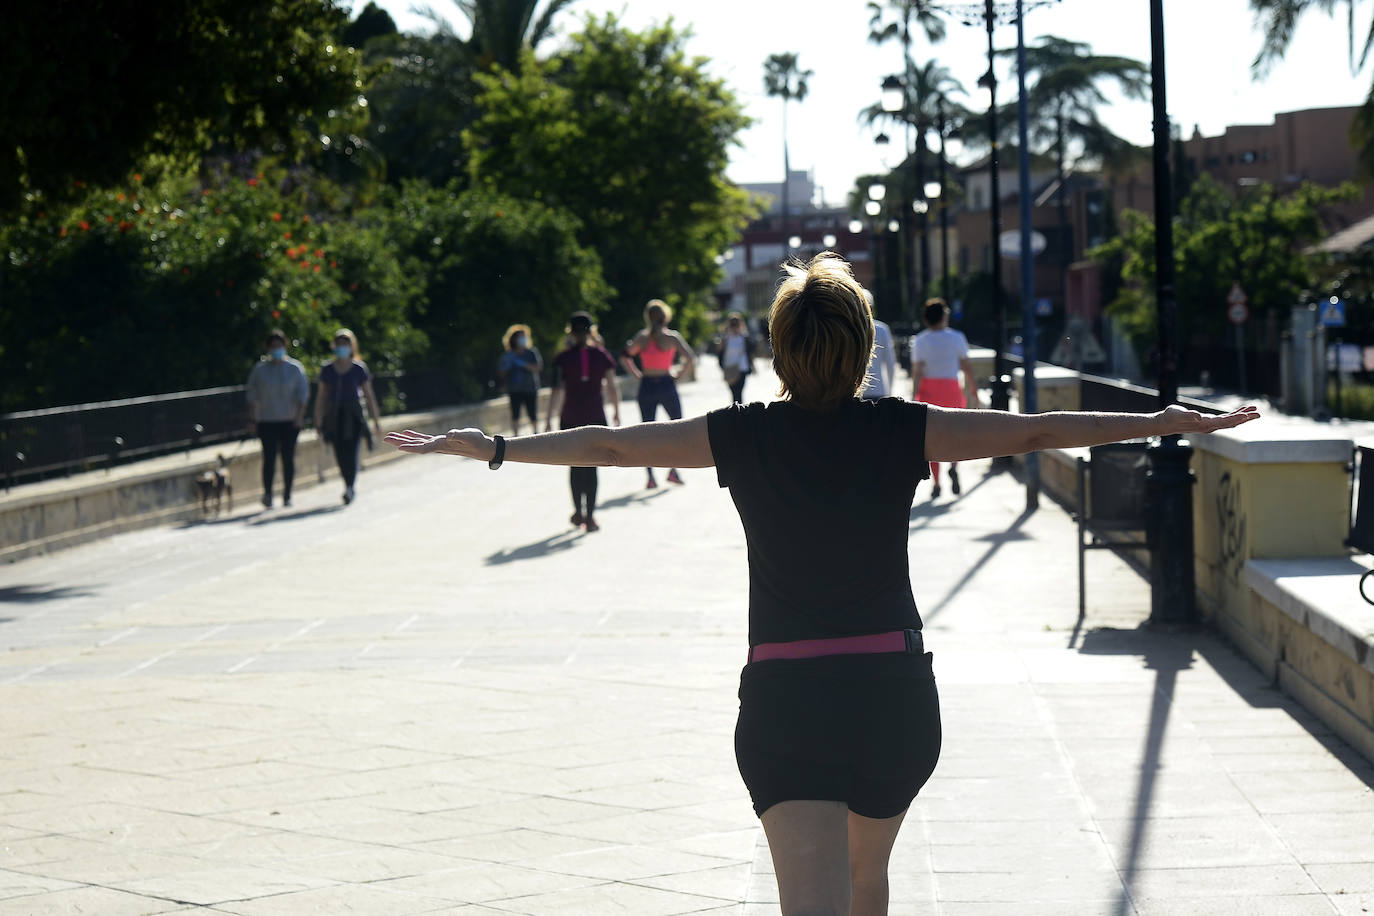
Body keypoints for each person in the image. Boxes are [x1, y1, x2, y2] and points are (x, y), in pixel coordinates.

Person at [385, 252, 1258, 916]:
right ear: (865, 346)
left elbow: (609, 445)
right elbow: (1033, 432)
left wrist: (495, 447)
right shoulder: (901, 430)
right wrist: (1160, 419)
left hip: (788, 697)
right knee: (866, 880)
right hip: (892, 695)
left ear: (777, 349)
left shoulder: (743, 436)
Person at [546, 311, 620, 532]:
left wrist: (549, 418)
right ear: (591, 331)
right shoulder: (602, 355)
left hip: (570, 417)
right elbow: (611, 385)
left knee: (575, 466)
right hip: (596, 417)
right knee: (593, 467)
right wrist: (616, 411)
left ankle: (578, 512)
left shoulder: (563, 358)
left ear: (570, 331)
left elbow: (556, 389)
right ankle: (591, 516)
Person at [621, 299, 695, 488]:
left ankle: (651, 477)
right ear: (666, 317)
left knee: (646, 432)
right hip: (666, 383)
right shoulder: (672, 337)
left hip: (647, 384)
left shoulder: (642, 338)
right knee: (677, 427)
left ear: (648, 317)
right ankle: (673, 470)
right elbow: (690, 358)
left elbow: (624, 355)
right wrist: (679, 376)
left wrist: (637, 374)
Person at [911, 299, 978, 499]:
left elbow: (917, 371)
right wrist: (973, 390)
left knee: (932, 438)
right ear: (943, 316)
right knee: (956, 432)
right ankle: (954, 467)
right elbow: (966, 366)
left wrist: (914, 395)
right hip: (951, 388)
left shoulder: (920, 340)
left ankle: (937, 483)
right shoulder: (957, 337)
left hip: (929, 389)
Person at [314, 328, 383, 506]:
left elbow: (369, 396)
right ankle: (347, 483)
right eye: (339, 344)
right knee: (340, 452)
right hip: (334, 417)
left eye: (345, 344)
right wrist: (318, 420)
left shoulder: (359, 369)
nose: (342, 347)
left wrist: (376, 421)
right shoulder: (327, 369)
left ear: (352, 346)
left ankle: (350, 487)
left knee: (352, 450)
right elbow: (321, 397)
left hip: (353, 417)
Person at [245, 329, 309, 508]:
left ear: (285, 345)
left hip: (289, 420)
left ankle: (287, 494)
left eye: (279, 345)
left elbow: (302, 396)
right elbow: (252, 396)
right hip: (267, 420)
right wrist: (252, 420)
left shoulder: (295, 368)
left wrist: (299, 417)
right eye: (273, 346)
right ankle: (268, 494)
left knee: (288, 458)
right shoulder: (259, 370)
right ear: (268, 348)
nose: (276, 349)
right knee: (269, 459)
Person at [498, 324, 543, 436]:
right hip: (514, 389)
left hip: (530, 388)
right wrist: (508, 366)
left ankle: (536, 434)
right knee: (515, 414)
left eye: (524, 336)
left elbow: (538, 367)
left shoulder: (531, 352)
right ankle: (515, 436)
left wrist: (524, 365)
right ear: (513, 339)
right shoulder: (508, 355)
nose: (523, 339)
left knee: (532, 413)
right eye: (520, 337)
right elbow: (501, 372)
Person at [859, 291, 897, 402]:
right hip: (878, 389)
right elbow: (890, 362)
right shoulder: (882, 329)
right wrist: (890, 390)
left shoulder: (849, 329)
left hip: (855, 391)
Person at [718, 312, 756, 404]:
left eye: (736, 324)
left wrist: (753, 366)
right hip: (729, 368)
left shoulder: (744, 337)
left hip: (742, 368)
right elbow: (719, 351)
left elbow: (749, 352)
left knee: (739, 393)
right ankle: (736, 411)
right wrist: (725, 333)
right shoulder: (726, 338)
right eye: (733, 324)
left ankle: (739, 412)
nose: (735, 327)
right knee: (733, 393)